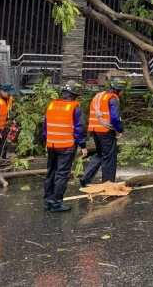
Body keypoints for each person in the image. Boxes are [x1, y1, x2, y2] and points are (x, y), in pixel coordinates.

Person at [43, 80, 87, 212]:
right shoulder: (75, 107)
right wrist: (83, 145)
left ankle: (47, 201)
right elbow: (80, 129)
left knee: (51, 172)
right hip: (66, 146)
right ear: (75, 94)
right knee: (62, 175)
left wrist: (45, 141)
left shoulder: (52, 105)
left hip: (51, 145)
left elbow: (45, 126)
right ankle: (56, 203)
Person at [80, 77, 126, 186]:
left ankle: (85, 178)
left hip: (94, 130)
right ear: (120, 89)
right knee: (109, 157)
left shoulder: (98, 96)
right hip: (105, 131)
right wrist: (120, 129)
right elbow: (114, 118)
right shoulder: (112, 98)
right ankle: (108, 184)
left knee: (100, 154)